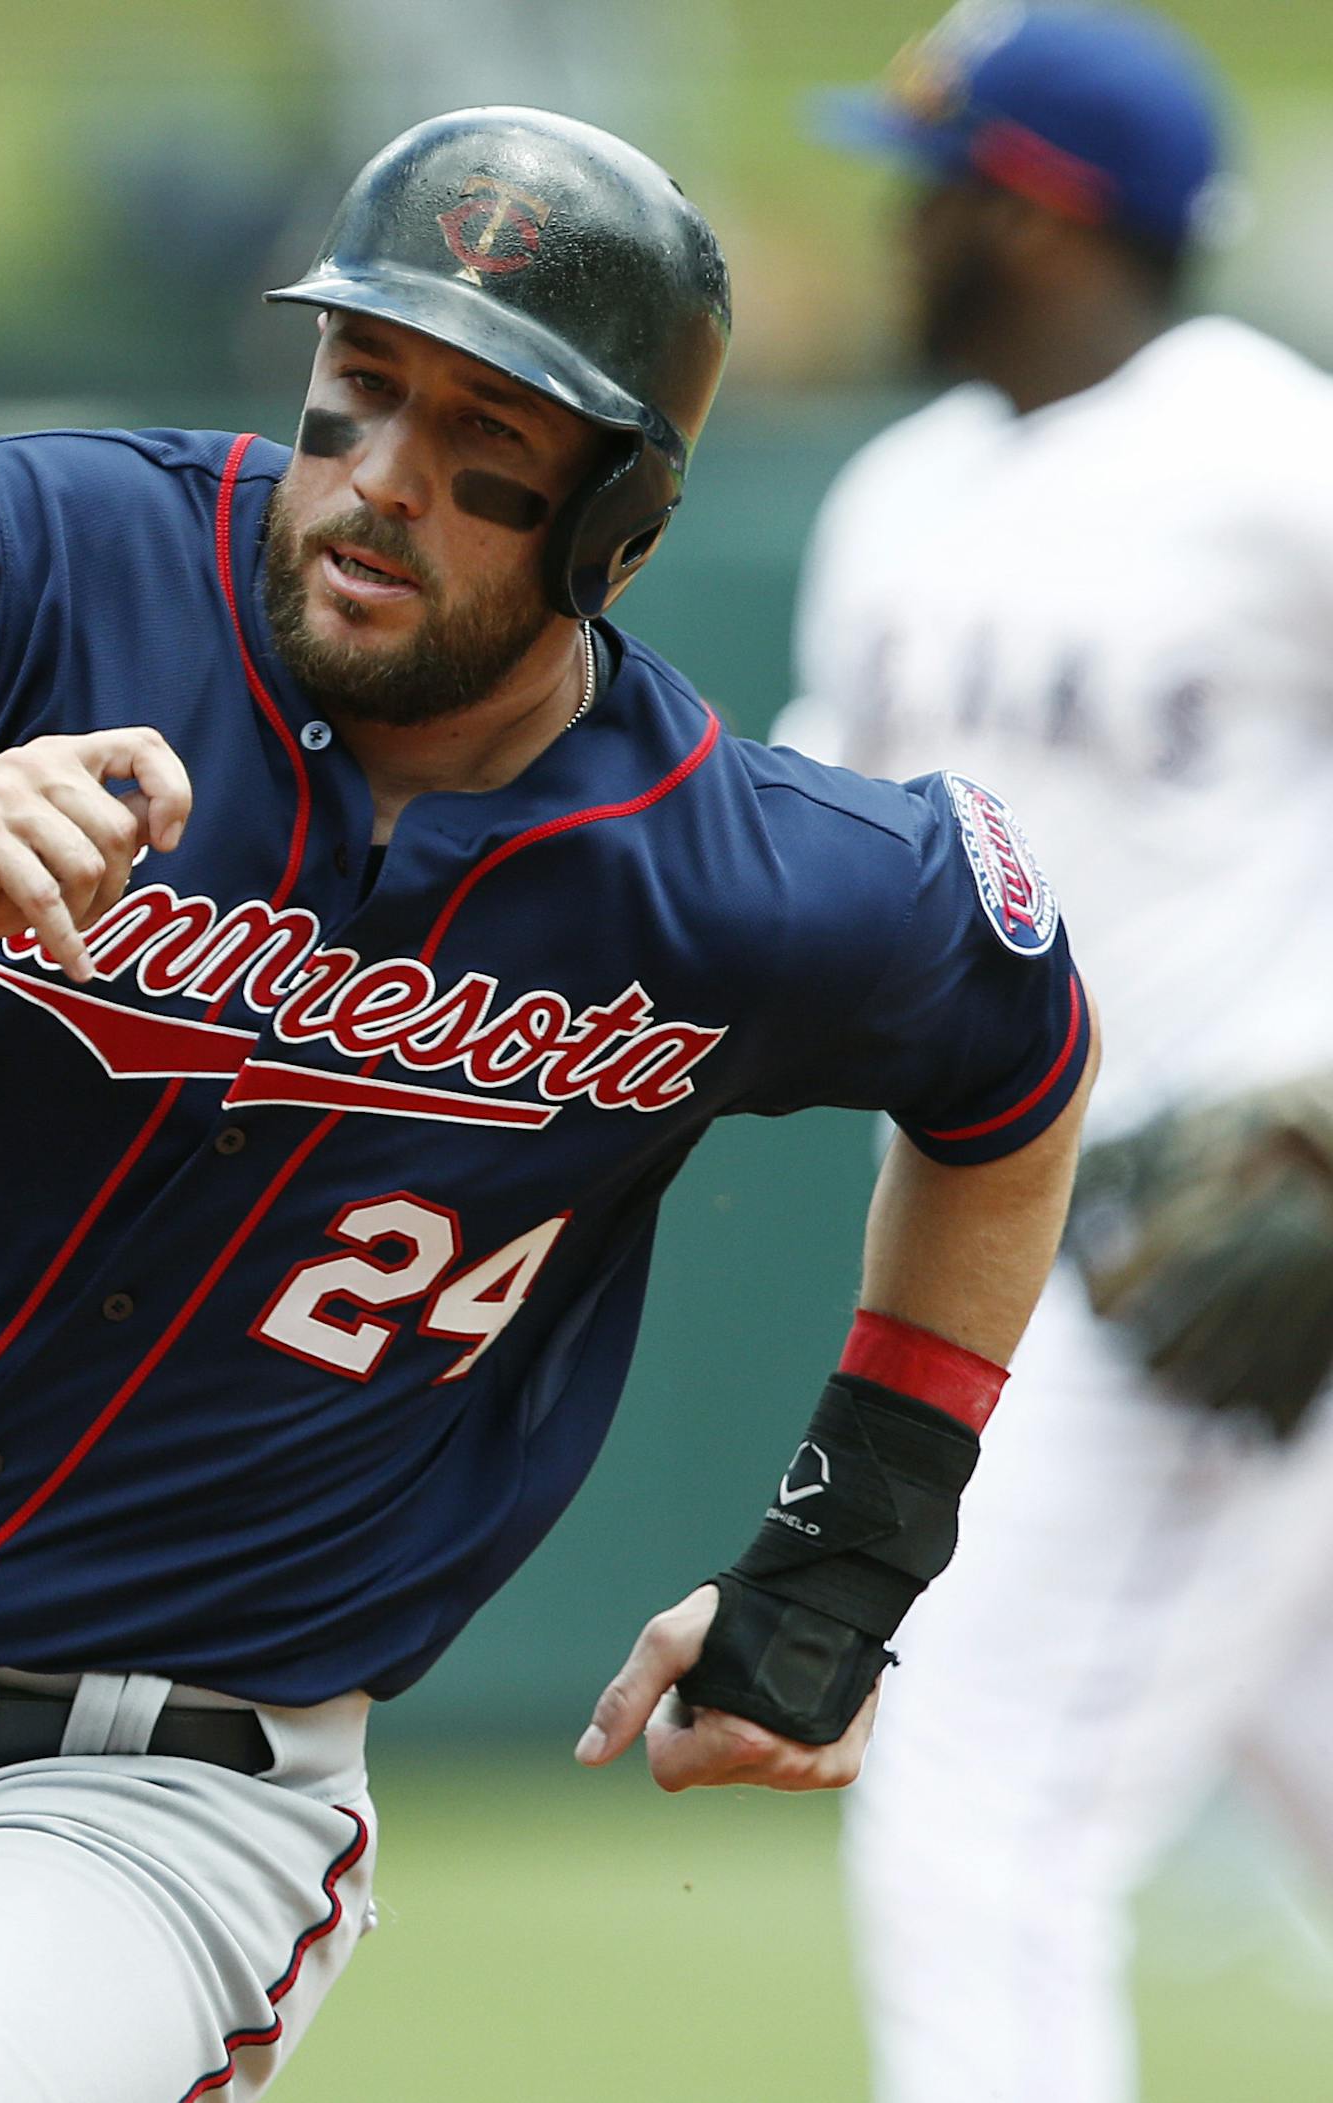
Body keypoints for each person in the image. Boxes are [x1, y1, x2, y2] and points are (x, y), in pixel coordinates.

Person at [0, 106, 1096, 2103]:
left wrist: (853, 1543)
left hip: (141, 1808)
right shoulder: (33, 557)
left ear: (619, 522)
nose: (384, 479)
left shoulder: (741, 881)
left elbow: (1019, 1063)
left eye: (485, 435)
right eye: (363, 385)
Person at [778, 10, 1333, 2101]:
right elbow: (820, 865)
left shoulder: (1272, 450)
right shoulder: (904, 492)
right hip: (1028, 1236)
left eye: (934, 184)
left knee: (979, 1791)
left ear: (1037, 210)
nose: (900, 223)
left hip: (1236, 1231)